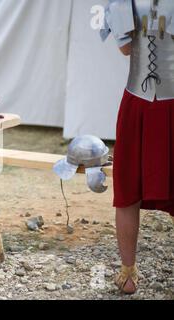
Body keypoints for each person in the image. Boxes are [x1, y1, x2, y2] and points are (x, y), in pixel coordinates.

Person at [101, 0, 174, 295]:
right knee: (128, 185)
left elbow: (127, 49)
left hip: (138, 100)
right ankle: (128, 272)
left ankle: (128, 274)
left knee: (128, 187)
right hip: (161, 102)